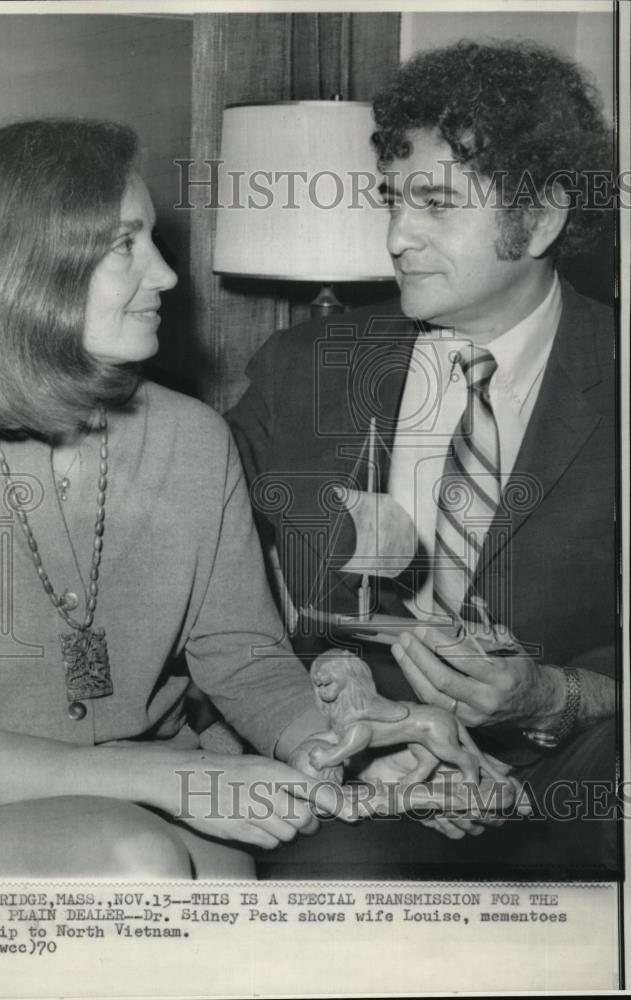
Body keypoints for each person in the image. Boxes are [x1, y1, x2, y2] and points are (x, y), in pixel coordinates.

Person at [0, 117, 366, 879]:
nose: (165, 275)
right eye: (126, 244)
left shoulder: (192, 437)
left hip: (145, 791)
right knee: (135, 861)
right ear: (29, 267)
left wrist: (315, 738)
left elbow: (242, 654)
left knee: (222, 881)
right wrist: (173, 783)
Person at [228, 40, 618, 879]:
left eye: (436, 203)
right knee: (335, 881)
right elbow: (213, 598)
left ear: (542, 216)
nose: (397, 237)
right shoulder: (302, 371)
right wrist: (334, 707)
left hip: (578, 784)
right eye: (391, 200)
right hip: (368, 775)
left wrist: (551, 697)